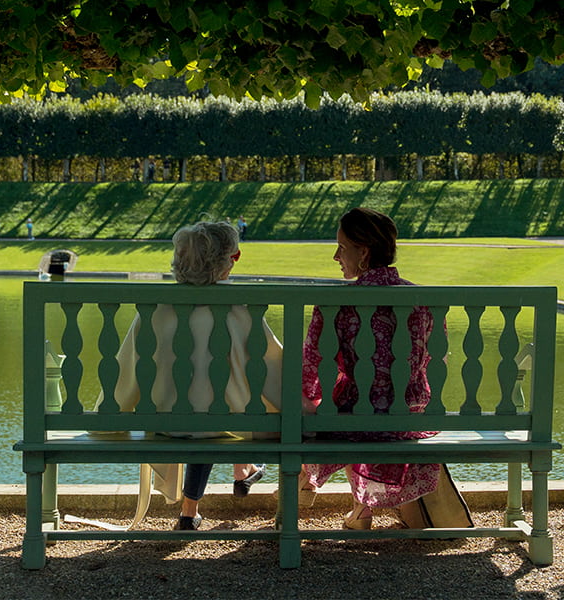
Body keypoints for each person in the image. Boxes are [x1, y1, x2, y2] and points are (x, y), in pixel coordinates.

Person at [111, 221, 283, 530]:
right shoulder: (240, 309)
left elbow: (127, 372)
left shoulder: (156, 309)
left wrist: (110, 416)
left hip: (166, 421)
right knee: (225, 407)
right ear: (234, 259)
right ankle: (244, 474)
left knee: (202, 404)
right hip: (224, 421)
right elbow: (273, 369)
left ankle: (208, 498)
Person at [303, 207, 440, 529]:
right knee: (361, 400)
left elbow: (313, 365)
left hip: (356, 416)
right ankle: (362, 509)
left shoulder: (335, 303)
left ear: (363, 253)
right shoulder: (422, 299)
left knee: (336, 404)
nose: (336, 256)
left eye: (342, 247)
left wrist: (310, 400)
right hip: (409, 413)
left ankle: (351, 510)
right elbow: (431, 359)